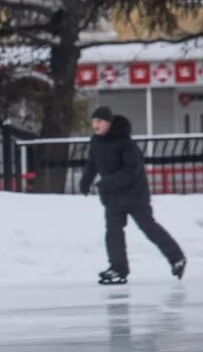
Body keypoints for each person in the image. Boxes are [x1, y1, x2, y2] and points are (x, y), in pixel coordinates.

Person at [79, 106, 186, 285]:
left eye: (100, 121)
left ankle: (177, 258)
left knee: (149, 227)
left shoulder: (125, 142)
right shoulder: (96, 142)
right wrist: (85, 182)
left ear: (109, 123)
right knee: (113, 233)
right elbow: (92, 164)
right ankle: (118, 270)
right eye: (94, 121)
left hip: (135, 195)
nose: (95, 125)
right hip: (113, 197)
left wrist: (107, 182)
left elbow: (132, 170)